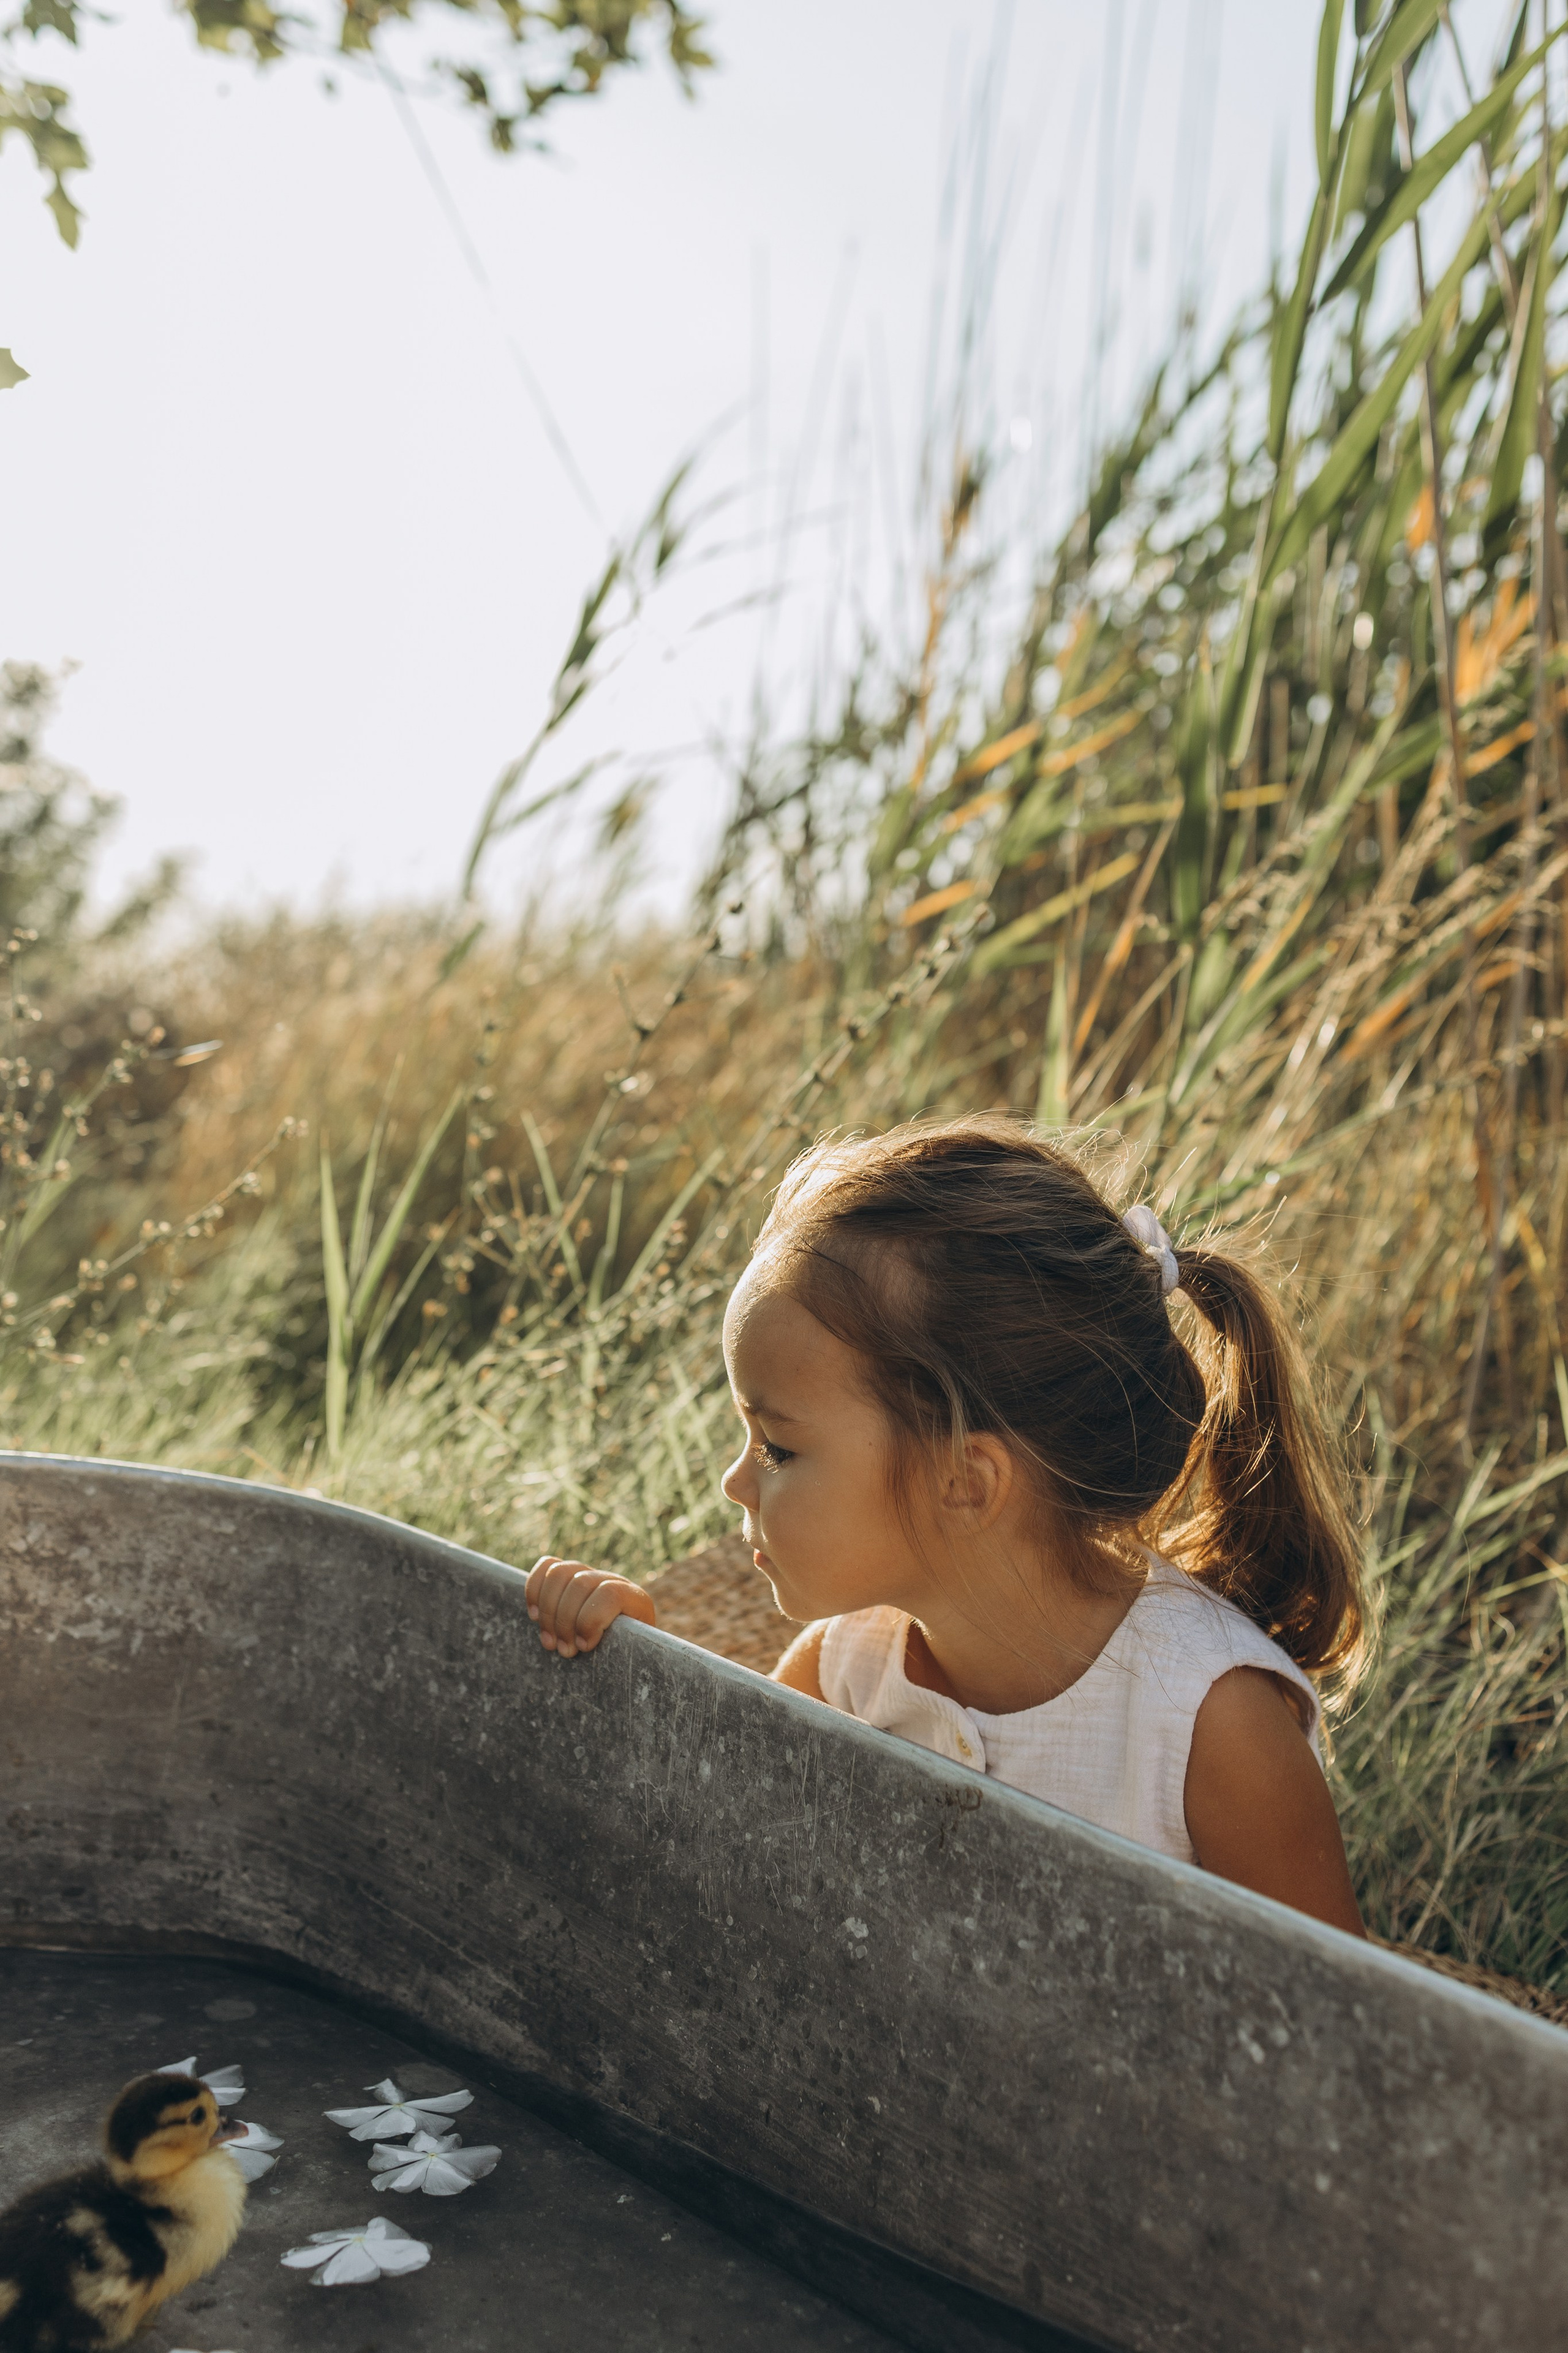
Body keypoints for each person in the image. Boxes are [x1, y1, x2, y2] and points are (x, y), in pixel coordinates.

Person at [526, 1115, 1366, 1933]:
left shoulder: (1212, 1728)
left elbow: (1341, 2041)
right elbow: (719, 1848)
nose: (733, 1479)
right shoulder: (850, 1663)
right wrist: (643, 1671)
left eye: (778, 1447)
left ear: (964, 1481)